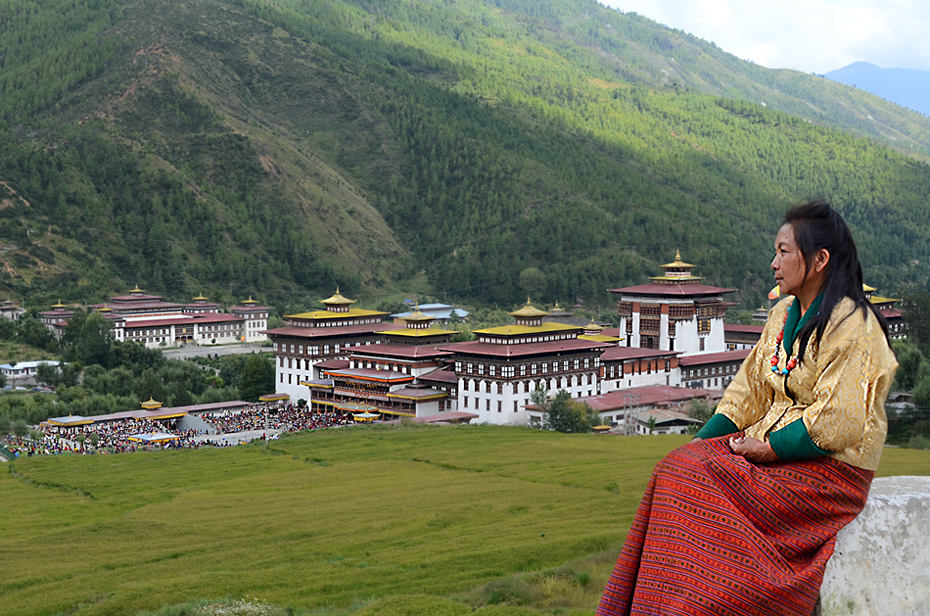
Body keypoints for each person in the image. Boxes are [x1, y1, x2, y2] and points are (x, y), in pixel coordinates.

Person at [597, 200, 898, 616]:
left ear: (819, 260)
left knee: (697, 487)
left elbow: (840, 420)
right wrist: (699, 446)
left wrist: (770, 448)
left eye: (784, 251)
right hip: (773, 450)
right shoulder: (781, 317)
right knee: (676, 468)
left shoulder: (854, 326)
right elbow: (746, 394)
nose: (773, 263)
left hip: (829, 471)